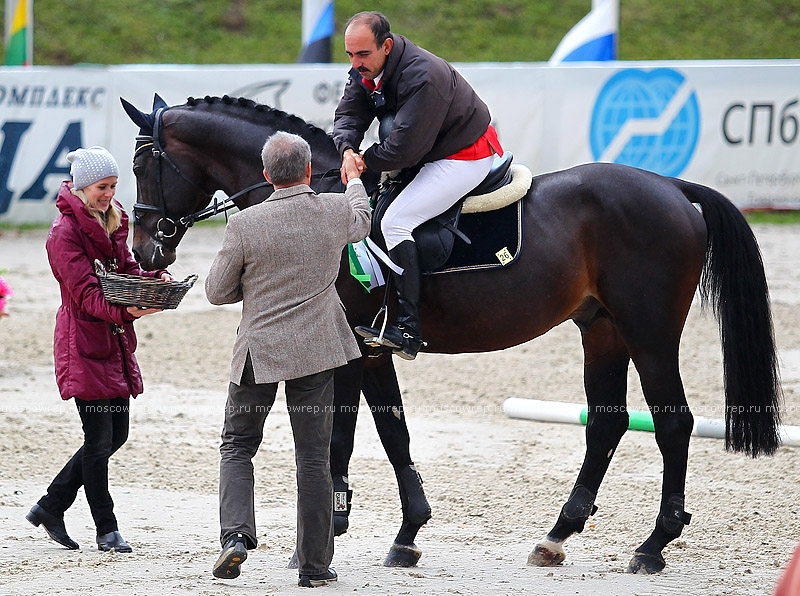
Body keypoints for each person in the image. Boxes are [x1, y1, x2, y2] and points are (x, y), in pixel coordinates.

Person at [206, 131, 370, 588]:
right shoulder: (335, 209)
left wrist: (253, 286)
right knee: (314, 458)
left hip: (259, 352)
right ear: (309, 171)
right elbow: (363, 218)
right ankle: (315, 568)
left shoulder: (244, 224)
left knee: (238, 446)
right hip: (317, 350)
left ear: (265, 175)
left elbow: (217, 292)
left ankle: (236, 536)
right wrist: (353, 179)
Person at [332, 11, 503, 361]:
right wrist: (348, 149)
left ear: (387, 45)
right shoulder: (366, 68)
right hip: (429, 152)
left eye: (362, 55)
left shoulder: (423, 76)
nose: (355, 64)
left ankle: (409, 329)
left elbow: (405, 149)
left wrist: (362, 160)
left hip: (463, 156)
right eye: (350, 55)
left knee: (395, 221)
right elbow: (349, 114)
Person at [27, 146, 170, 553]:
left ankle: (50, 506)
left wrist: (153, 280)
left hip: (113, 340)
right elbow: (88, 296)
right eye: (102, 187)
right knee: (98, 438)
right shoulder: (64, 233)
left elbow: (126, 270)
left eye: (113, 186)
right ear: (83, 186)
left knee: (116, 434)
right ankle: (106, 529)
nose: (109, 194)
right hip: (82, 343)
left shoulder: (113, 220)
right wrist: (130, 311)